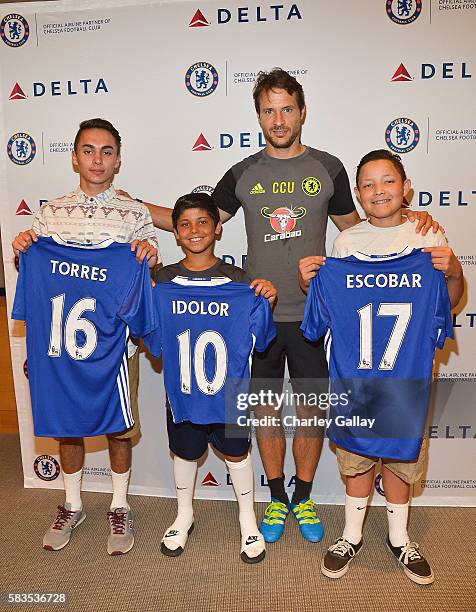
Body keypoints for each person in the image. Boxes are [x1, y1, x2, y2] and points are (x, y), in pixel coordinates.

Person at [135, 68, 438, 544]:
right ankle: (275, 496)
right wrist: (129, 209)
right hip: (255, 315)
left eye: (286, 109)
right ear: (258, 116)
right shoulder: (243, 173)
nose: (278, 119)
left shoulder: (329, 168)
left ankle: (304, 495)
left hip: (315, 318)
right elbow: (192, 218)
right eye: (268, 110)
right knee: (265, 412)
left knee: (313, 412)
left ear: (302, 112)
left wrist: (408, 217)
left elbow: (365, 230)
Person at [299, 149, 463, 584]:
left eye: (387, 181)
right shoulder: (346, 243)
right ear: (357, 194)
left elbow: (450, 302)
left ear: (406, 187)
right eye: (368, 185)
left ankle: (399, 537)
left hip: (407, 374)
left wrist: (453, 270)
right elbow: (322, 317)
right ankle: (351, 534)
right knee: (356, 456)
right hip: (357, 373)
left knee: (401, 459)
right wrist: (312, 283)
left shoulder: (428, 237)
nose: (378, 191)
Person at [12, 118, 159, 555]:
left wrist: (148, 255)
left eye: (107, 151)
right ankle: (72, 502)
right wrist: (24, 249)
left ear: (118, 160)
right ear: (74, 157)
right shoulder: (50, 212)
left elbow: (146, 269)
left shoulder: (135, 213)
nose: (98, 159)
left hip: (115, 343)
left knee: (119, 425)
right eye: (89, 150)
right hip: (63, 342)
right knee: (67, 424)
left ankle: (119, 504)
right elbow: (35, 272)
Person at [144, 193, 276, 563]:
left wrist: (264, 299)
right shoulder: (163, 281)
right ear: (175, 232)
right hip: (184, 390)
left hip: (229, 392)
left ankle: (248, 519)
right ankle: (184, 513)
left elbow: (261, 337)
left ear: (218, 228)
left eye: (203, 221)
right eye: (184, 224)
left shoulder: (239, 280)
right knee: (185, 451)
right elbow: (152, 340)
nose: (194, 230)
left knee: (237, 453)